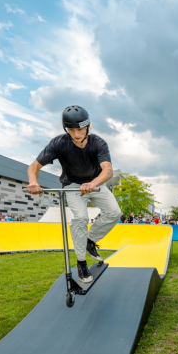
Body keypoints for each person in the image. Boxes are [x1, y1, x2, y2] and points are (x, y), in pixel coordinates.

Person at [28, 105, 120, 284]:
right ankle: (81, 263)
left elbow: (108, 171)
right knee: (80, 218)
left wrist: (93, 183)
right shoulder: (59, 143)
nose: (76, 135)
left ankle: (90, 240)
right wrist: (33, 181)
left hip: (95, 182)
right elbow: (34, 167)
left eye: (80, 129)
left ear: (88, 127)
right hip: (72, 186)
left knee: (114, 213)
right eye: (71, 130)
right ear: (66, 129)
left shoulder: (98, 143)